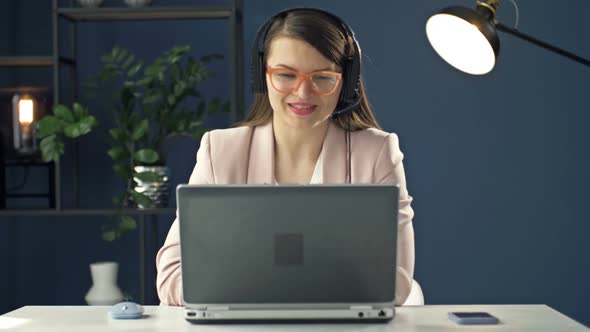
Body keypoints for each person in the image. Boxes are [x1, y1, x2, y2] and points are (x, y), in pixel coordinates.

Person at [156, 8, 415, 306]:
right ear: (262, 76)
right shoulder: (220, 151)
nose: (303, 92)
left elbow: (397, 281)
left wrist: (261, 292)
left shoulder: (377, 152)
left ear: (346, 82)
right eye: (286, 75)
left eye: (322, 77)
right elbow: (171, 275)